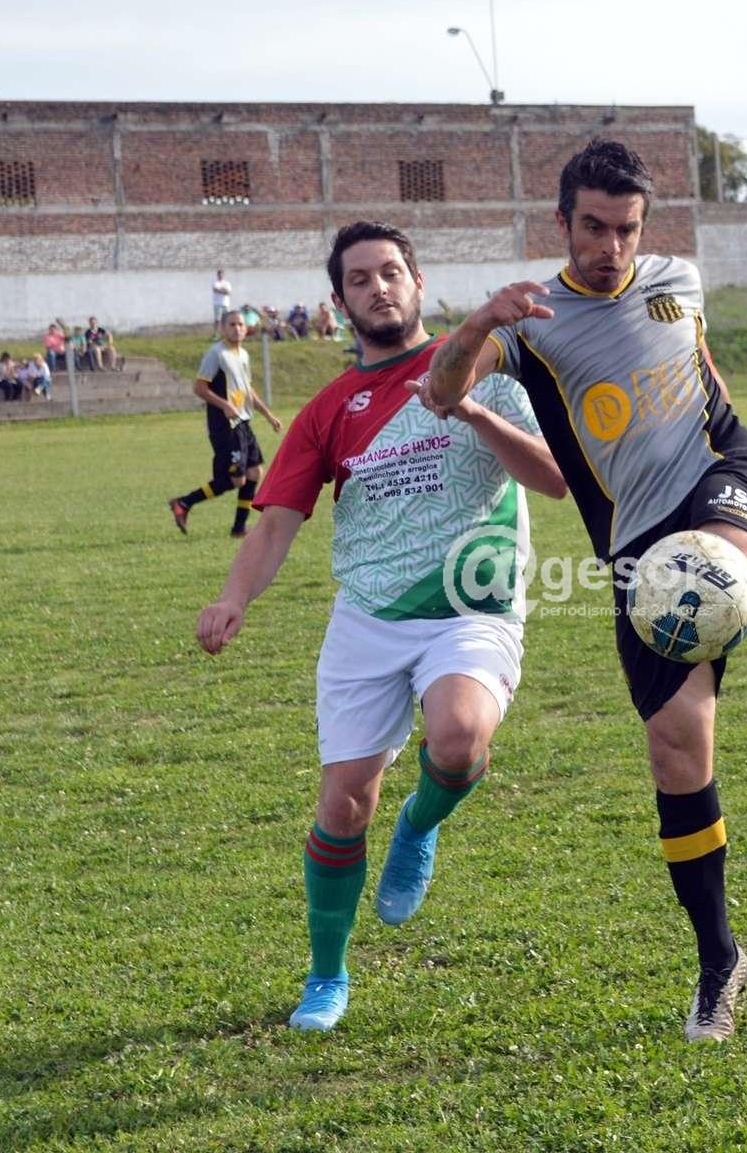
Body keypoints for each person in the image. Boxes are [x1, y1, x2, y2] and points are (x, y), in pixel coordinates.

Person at [414, 140, 747, 1044]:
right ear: (561, 222)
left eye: (627, 227)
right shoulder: (529, 324)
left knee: (731, 561)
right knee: (680, 749)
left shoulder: (680, 276)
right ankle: (720, 963)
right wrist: (481, 320)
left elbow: (702, 367)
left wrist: (736, 442)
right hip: (635, 544)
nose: (611, 245)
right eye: (593, 227)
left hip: (724, 469)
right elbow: (441, 393)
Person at [195, 220, 566, 1034]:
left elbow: (554, 481)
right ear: (339, 303)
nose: (378, 287)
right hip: (367, 619)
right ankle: (327, 975)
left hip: (471, 607)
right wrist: (234, 599)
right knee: (340, 806)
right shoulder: (331, 408)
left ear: (419, 283)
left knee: (461, 738)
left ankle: (420, 825)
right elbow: (276, 521)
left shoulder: (491, 371)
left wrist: (466, 408)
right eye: (359, 279)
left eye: (392, 271)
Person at [168, 310, 283, 538]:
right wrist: (224, 405)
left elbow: (247, 390)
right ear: (222, 328)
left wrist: (268, 415)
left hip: (242, 422)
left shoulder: (243, 355)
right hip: (224, 425)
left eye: (240, 324)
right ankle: (183, 502)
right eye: (232, 324)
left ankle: (238, 528)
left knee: (253, 472)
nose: (237, 328)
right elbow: (199, 388)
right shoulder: (216, 354)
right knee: (234, 479)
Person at [212, 269, 232, 335]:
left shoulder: (227, 283)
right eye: (219, 274)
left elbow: (229, 293)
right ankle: (215, 334)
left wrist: (221, 290)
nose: (220, 275)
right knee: (217, 319)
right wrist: (224, 290)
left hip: (225, 304)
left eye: (221, 274)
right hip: (217, 304)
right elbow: (215, 290)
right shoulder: (215, 283)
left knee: (226, 319)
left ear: (223, 275)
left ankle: (225, 333)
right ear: (217, 275)